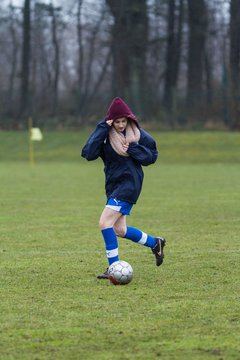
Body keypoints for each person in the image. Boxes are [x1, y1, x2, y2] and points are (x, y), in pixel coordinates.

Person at [81, 97, 166, 279]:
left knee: (104, 223)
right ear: (111, 121)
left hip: (129, 185)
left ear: (129, 119)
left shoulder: (138, 134)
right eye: (117, 122)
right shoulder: (105, 136)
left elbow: (152, 156)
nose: (121, 125)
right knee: (119, 230)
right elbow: (88, 153)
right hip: (114, 185)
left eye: (123, 121)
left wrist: (133, 149)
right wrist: (103, 127)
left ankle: (113, 267)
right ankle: (155, 243)